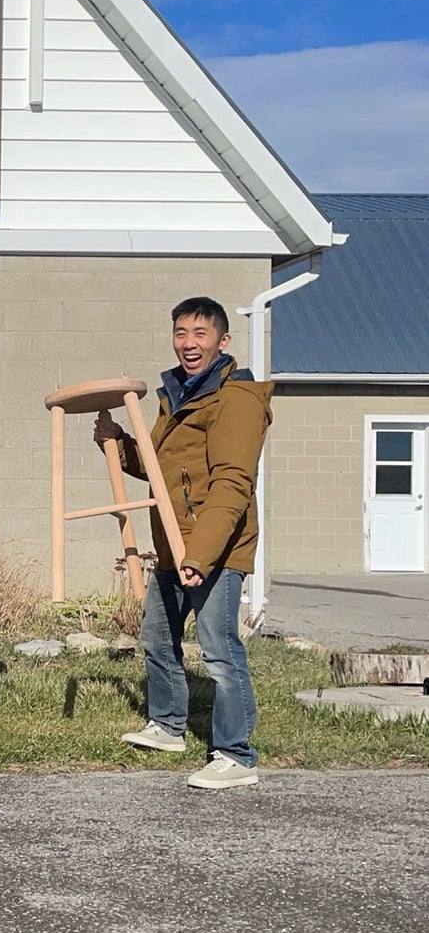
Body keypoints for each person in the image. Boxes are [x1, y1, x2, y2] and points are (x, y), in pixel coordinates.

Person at [94, 296, 271, 790]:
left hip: (213, 546)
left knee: (218, 650)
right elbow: (164, 467)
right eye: (180, 333)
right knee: (156, 636)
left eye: (199, 334)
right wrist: (119, 442)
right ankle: (169, 726)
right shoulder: (176, 393)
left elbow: (233, 484)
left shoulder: (235, 398)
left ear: (222, 340)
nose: (188, 344)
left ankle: (237, 754)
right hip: (176, 543)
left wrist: (201, 555)